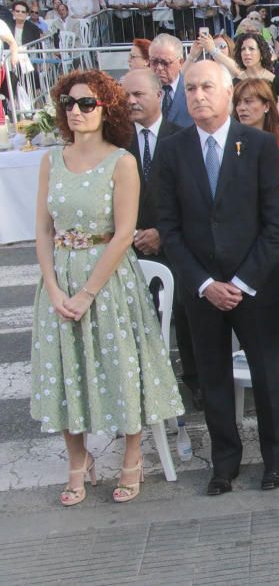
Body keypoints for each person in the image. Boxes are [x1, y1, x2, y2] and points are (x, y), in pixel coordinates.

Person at [31, 70, 183, 507]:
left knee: (122, 366)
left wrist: (86, 293)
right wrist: (55, 288)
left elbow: (123, 234)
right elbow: (42, 231)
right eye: (69, 104)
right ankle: (77, 461)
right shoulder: (50, 161)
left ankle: (132, 456)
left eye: (86, 104)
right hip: (60, 276)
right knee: (67, 370)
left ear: (107, 110)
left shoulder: (121, 161)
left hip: (109, 279)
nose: (75, 112)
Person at [157, 60, 279, 495]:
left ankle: (274, 461)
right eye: (190, 88)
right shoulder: (173, 149)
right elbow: (169, 228)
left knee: (267, 378)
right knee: (213, 380)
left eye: (206, 87)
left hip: (255, 287)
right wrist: (203, 284)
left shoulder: (258, 145)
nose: (197, 95)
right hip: (202, 291)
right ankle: (224, 464)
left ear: (228, 91)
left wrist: (243, 281)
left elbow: (275, 226)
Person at [122, 69, 199, 408]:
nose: (131, 101)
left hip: (175, 247)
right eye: (126, 96)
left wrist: (163, 235)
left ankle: (195, 382)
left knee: (185, 311)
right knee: (136, 319)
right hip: (130, 248)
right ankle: (145, 387)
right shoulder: (117, 142)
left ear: (158, 96)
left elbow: (194, 198)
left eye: (138, 94)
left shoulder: (183, 138)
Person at [233, 78, 279, 346]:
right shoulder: (232, 142)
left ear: (266, 106)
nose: (242, 108)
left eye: (249, 101)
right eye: (238, 102)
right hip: (241, 236)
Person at [232, 33, 279, 118]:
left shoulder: (276, 82)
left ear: (262, 53)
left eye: (251, 49)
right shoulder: (235, 83)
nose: (246, 53)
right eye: (243, 49)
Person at [149, 33, 193, 127]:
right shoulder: (142, 91)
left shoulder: (192, 90)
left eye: (165, 63)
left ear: (180, 62)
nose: (159, 68)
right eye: (154, 62)